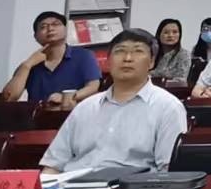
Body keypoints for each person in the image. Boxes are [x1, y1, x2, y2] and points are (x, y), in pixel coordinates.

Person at [40, 28, 187, 179]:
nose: (127, 58)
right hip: (71, 188)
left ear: (151, 62)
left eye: (138, 51)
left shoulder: (167, 107)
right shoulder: (85, 107)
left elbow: (168, 172)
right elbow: (53, 165)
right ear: (108, 61)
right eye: (120, 51)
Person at [3, 11, 102, 110]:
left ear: (65, 30)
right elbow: (9, 97)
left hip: (73, 114)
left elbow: (93, 87)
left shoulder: (83, 55)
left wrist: (66, 97)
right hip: (39, 117)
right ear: (36, 37)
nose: (50, 28)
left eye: (56, 24)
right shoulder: (31, 63)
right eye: (43, 27)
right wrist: (27, 65)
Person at [151, 18, 194, 84]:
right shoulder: (152, 53)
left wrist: (153, 74)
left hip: (172, 89)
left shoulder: (184, 54)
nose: (170, 35)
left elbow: (181, 79)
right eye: (166, 32)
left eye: (175, 32)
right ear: (159, 35)